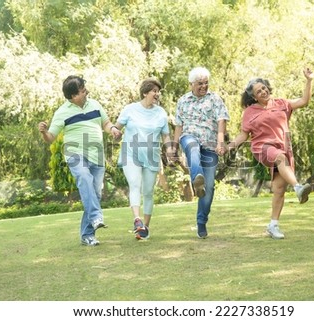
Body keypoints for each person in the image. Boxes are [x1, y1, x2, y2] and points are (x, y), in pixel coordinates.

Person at [227, 68, 314, 240]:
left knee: (279, 189)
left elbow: (304, 101)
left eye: (264, 88)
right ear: (254, 96)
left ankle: (273, 225)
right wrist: (230, 146)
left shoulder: (282, 103)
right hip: (263, 148)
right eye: (259, 91)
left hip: (284, 147)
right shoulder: (249, 113)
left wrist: (309, 80)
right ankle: (298, 188)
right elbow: (244, 135)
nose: (263, 91)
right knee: (279, 157)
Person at [38, 75, 120, 246]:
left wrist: (112, 129)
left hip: (97, 155)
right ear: (73, 96)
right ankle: (96, 217)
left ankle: (87, 235)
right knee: (84, 178)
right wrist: (44, 132)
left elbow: (105, 123)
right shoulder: (62, 112)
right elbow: (51, 137)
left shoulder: (95, 104)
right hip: (75, 153)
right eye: (83, 91)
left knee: (94, 194)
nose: (86, 92)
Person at [112, 78, 173, 240]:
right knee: (135, 185)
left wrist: (170, 150)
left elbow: (166, 135)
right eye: (154, 91)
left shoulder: (161, 112)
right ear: (145, 92)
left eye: (158, 91)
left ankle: (144, 228)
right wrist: (115, 134)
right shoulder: (130, 109)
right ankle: (137, 220)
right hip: (131, 154)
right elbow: (116, 129)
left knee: (148, 192)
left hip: (151, 157)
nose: (157, 94)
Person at [173, 67, 230, 238]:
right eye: (200, 83)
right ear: (191, 84)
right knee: (192, 147)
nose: (204, 86)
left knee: (210, 187)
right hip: (189, 137)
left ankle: (201, 221)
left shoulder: (215, 99)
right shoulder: (183, 101)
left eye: (206, 83)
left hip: (210, 144)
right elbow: (179, 126)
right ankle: (197, 179)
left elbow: (221, 122)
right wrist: (173, 147)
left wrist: (220, 143)